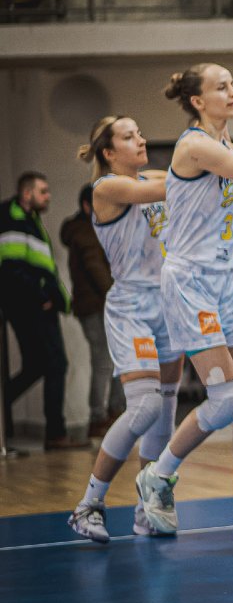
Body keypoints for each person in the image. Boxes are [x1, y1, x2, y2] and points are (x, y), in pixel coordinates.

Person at [134, 63, 233, 550]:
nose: (232, 91)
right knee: (225, 398)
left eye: (231, 83)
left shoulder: (225, 149)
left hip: (226, 283)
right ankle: (158, 477)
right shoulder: (194, 146)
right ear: (198, 101)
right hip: (191, 283)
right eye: (221, 86)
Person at [67, 116, 183, 542]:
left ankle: (146, 509)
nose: (142, 139)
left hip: (169, 302)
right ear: (108, 153)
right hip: (132, 306)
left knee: (166, 411)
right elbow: (168, 185)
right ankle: (88, 505)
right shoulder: (108, 188)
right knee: (144, 408)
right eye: (130, 136)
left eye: (141, 132)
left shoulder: (151, 176)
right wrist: (205, 160)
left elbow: (179, 180)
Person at [1, 171, 78, 449]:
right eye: (43, 191)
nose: (48, 197)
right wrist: (42, 296)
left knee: (37, 365)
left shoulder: (31, 220)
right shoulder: (12, 219)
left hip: (38, 305)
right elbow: (11, 269)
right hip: (30, 307)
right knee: (55, 363)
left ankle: (50, 430)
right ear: (26, 193)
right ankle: (56, 434)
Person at [60, 183, 122, 436]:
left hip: (98, 305)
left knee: (114, 359)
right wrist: (118, 296)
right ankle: (99, 417)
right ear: (87, 206)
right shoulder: (85, 233)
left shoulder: (91, 229)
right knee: (105, 361)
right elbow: (96, 268)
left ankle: (114, 412)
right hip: (96, 306)